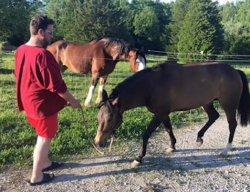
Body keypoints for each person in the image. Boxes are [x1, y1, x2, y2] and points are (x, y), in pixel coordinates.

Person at [14, 14, 82, 186]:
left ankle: (45, 163)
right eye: (50, 33)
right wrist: (73, 101)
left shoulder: (21, 50)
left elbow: (19, 75)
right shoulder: (43, 55)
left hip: (28, 102)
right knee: (44, 138)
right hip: (42, 107)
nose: (52, 36)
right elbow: (58, 86)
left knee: (42, 135)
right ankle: (36, 176)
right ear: (40, 32)